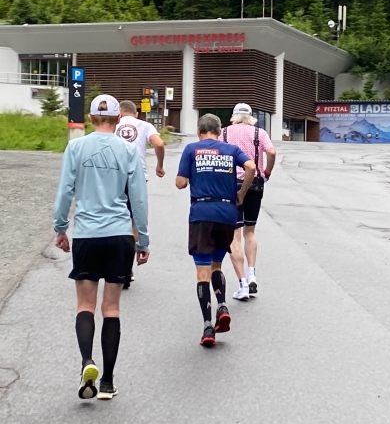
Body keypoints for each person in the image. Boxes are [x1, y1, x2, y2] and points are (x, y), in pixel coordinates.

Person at [54, 94, 150, 400]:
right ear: (118, 119)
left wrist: (60, 227)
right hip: (119, 234)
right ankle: (107, 382)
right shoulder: (128, 149)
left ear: (92, 118)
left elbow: (65, 190)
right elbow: (138, 197)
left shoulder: (76, 147)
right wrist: (143, 239)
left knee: (85, 305)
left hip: (87, 234)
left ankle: (87, 362)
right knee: (111, 308)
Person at [176, 114, 256, 346]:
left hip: (202, 213)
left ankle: (208, 327)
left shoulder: (191, 150)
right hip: (227, 213)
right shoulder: (231, 150)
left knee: (202, 273)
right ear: (220, 132)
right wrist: (241, 194)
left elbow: (180, 183)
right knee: (217, 265)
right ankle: (222, 305)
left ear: (198, 131)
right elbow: (251, 166)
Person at [220, 103, 276, 301]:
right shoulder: (259, 133)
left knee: (234, 234)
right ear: (251, 117)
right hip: (255, 183)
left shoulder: (224, 132)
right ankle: (252, 274)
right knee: (250, 231)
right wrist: (267, 172)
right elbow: (271, 152)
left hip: (231, 184)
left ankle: (242, 284)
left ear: (234, 116)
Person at [115, 100, 165, 289]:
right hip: (137, 177)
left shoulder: (113, 124)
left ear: (119, 113)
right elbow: (159, 143)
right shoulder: (144, 125)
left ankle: (116, 267)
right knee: (135, 221)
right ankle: (128, 269)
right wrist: (159, 165)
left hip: (114, 177)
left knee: (116, 219)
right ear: (136, 113)